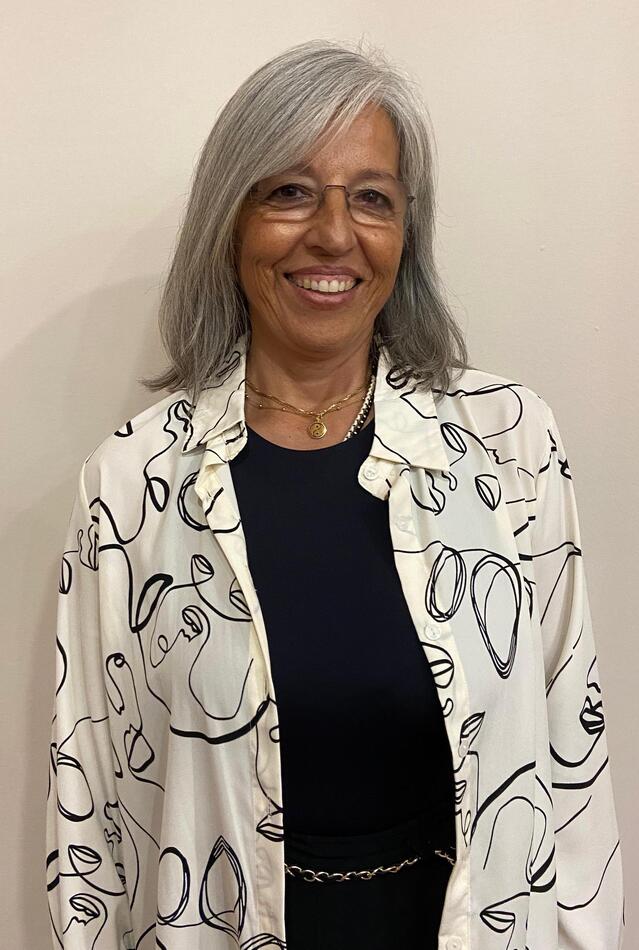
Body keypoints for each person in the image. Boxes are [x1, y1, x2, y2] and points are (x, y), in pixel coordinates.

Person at [45, 39, 624, 950]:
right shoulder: (132, 483)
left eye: (371, 198)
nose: (333, 233)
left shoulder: (508, 443)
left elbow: (572, 762)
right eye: (289, 191)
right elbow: (89, 802)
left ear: (404, 235)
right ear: (230, 222)